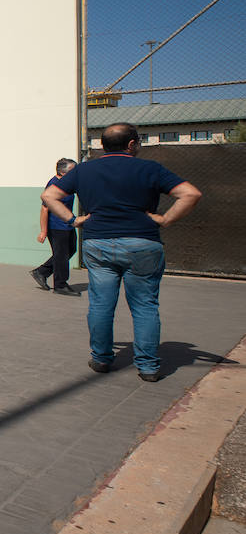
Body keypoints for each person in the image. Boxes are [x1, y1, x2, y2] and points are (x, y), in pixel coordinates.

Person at [42, 123, 201, 382]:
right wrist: (165, 219)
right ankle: (148, 366)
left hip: (98, 244)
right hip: (142, 243)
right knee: (145, 306)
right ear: (132, 144)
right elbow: (190, 194)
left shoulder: (84, 170)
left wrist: (73, 220)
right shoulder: (150, 169)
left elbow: (49, 196)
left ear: (103, 145)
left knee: (102, 304)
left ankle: (102, 358)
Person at [31, 158, 78, 296]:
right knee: (61, 255)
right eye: (73, 170)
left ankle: (41, 272)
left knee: (70, 250)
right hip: (56, 226)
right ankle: (60, 285)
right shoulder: (54, 185)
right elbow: (44, 209)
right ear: (63, 172)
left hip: (67, 224)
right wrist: (43, 231)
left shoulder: (66, 184)